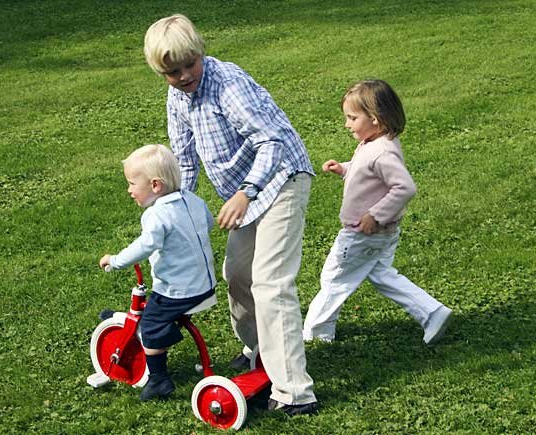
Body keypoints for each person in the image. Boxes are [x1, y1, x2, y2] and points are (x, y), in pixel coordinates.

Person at [143, 14, 317, 415]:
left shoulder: (227, 85)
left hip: (281, 178)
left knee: (271, 283)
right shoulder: (177, 97)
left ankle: (294, 392)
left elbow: (271, 141)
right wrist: (174, 211)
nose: (184, 76)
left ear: (200, 52)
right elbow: (184, 160)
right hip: (245, 195)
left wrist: (246, 192)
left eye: (190, 64)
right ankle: (260, 351)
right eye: (172, 72)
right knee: (237, 275)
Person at [303, 79, 452, 345]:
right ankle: (432, 312)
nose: (347, 124)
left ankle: (316, 335)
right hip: (380, 234)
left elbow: (404, 187)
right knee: (381, 274)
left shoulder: (381, 151)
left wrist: (375, 215)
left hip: (363, 233)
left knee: (335, 278)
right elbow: (369, 174)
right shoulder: (375, 143)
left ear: (375, 118)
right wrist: (345, 169)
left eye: (352, 118)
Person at [99, 144, 216, 401]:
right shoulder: (193, 200)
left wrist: (115, 261)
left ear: (155, 185)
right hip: (205, 285)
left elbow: (145, 245)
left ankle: (159, 380)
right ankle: (147, 326)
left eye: (132, 184)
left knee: (152, 322)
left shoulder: (156, 214)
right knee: (157, 310)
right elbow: (208, 223)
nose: (129, 190)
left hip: (180, 291)